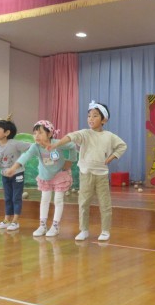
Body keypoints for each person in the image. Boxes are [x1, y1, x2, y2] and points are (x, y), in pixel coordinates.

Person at [50, 101, 127, 242]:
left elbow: (122, 146)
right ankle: (84, 230)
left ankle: (105, 231)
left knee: (105, 204)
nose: (91, 118)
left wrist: (111, 158)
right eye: (89, 116)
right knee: (83, 202)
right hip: (85, 173)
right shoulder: (84, 133)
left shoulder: (109, 136)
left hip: (102, 175)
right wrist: (56, 144)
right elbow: (71, 136)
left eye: (95, 116)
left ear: (104, 120)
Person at [4, 120, 76, 237]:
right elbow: (25, 156)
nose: (36, 136)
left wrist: (70, 161)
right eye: (35, 133)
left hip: (60, 175)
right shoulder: (35, 147)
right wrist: (13, 168)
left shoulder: (57, 143)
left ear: (49, 134)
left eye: (40, 133)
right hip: (45, 176)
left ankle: (55, 226)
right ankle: (42, 225)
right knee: (45, 199)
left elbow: (72, 146)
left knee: (58, 199)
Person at [0, 117, 30, 231]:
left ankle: (15, 221)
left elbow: (31, 147)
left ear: (7, 133)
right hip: (5, 176)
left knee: (16, 197)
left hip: (18, 174)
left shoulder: (15, 144)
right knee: (8, 197)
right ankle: (7, 220)